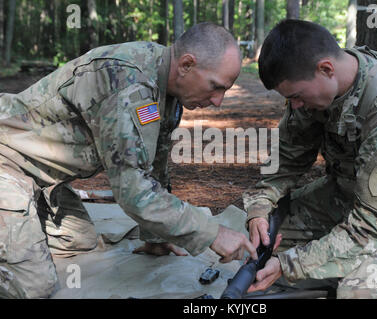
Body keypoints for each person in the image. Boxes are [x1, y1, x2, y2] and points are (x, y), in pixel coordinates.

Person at [0, 22, 257, 299]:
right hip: (7, 161)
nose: (218, 101)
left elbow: (153, 167)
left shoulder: (167, 89)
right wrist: (211, 233)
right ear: (186, 65)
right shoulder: (129, 84)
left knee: (78, 241)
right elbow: (133, 191)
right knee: (33, 288)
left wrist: (156, 237)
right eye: (215, 87)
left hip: (39, 174)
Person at [243, 19, 377, 299]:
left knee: (360, 291)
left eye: (297, 97)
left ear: (326, 69)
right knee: (252, 247)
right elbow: (286, 161)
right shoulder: (316, 90)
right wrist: (260, 206)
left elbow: (373, 226)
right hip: (354, 194)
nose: (295, 106)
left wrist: (292, 264)